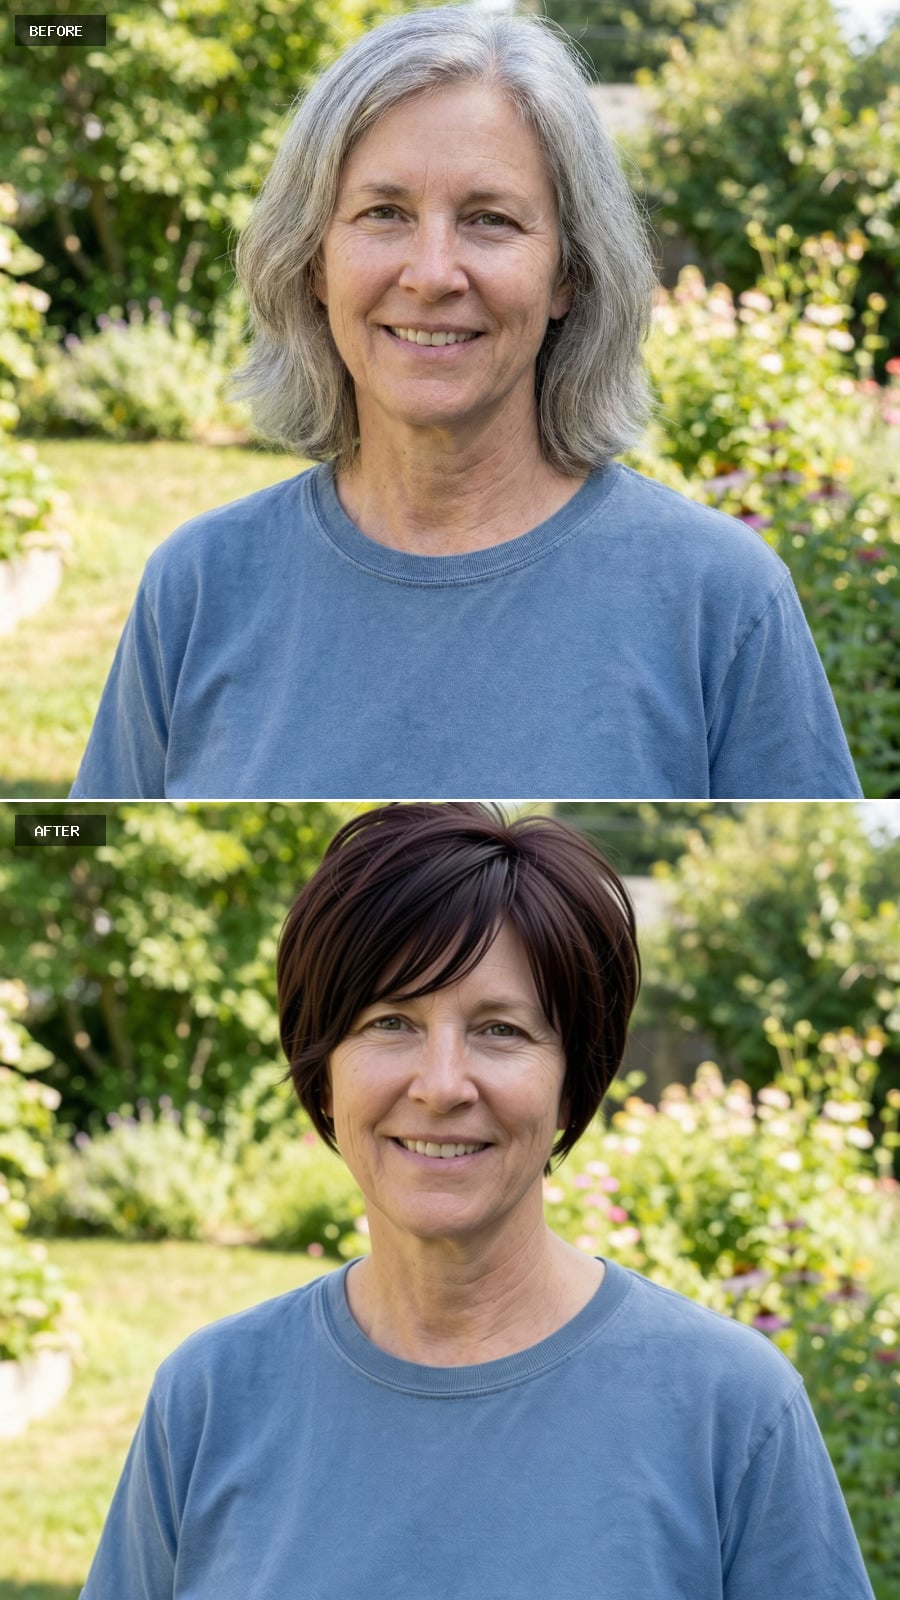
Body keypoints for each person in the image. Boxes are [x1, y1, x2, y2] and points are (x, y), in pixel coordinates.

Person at [81, 802, 875, 1598]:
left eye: (500, 1030)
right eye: (391, 1021)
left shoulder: (730, 1409)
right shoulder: (210, 1399)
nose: (441, 1086)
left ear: (574, 1083)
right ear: (323, 1075)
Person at [69, 7, 861, 800]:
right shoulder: (199, 585)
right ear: (313, 262)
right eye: (385, 213)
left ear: (568, 275)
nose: (433, 272)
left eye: (491, 219)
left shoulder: (720, 600)